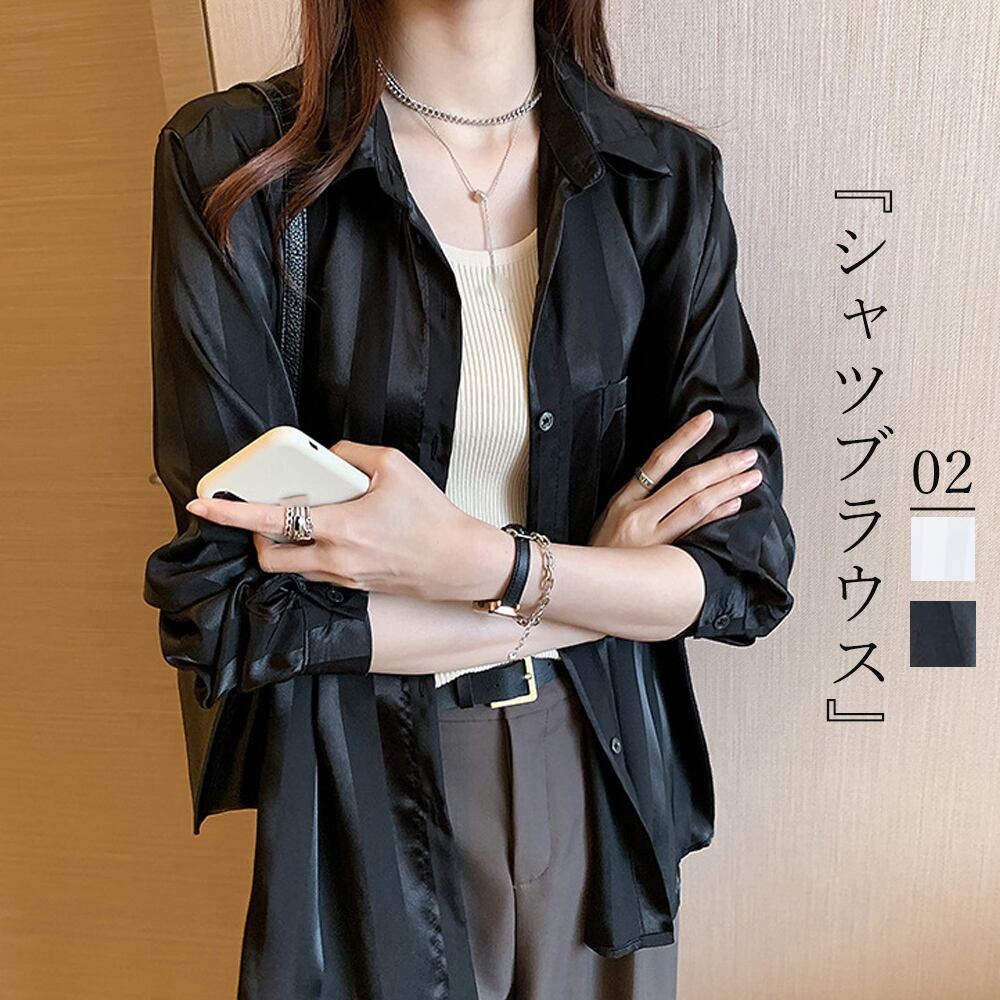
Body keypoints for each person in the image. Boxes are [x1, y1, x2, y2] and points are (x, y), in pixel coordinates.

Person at [143, 3, 796, 998]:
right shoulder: (234, 165)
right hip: (360, 782)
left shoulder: (661, 180)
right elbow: (230, 602)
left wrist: (486, 564)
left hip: (601, 769)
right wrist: (584, 590)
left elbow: (740, 569)